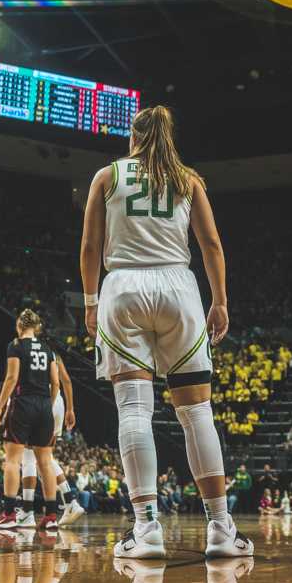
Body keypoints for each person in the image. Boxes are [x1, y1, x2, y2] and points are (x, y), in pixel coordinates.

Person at [80, 105, 253, 559]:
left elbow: (90, 246)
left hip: (123, 287)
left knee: (134, 410)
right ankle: (220, 527)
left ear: (132, 138)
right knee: (197, 413)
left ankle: (147, 529)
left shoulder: (107, 176)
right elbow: (212, 244)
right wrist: (220, 300)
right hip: (179, 286)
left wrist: (90, 302)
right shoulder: (187, 179)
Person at [0, 309, 61, 531]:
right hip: (44, 405)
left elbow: (11, 378)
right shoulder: (48, 350)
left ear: (20, 326)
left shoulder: (16, 346)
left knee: (12, 460)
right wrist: (47, 406)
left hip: (23, 403)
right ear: (37, 327)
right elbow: (56, 384)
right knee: (45, 462)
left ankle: (9, 513)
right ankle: (51, 515)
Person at [21, 347, 86, 527]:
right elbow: (66, 380)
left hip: (43, 399)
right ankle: (70, 501)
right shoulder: (53, 354)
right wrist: (71, 409)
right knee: (46, 457)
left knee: (28, 456)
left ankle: (27, 511)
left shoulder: (27, 352)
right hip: (59, 403)